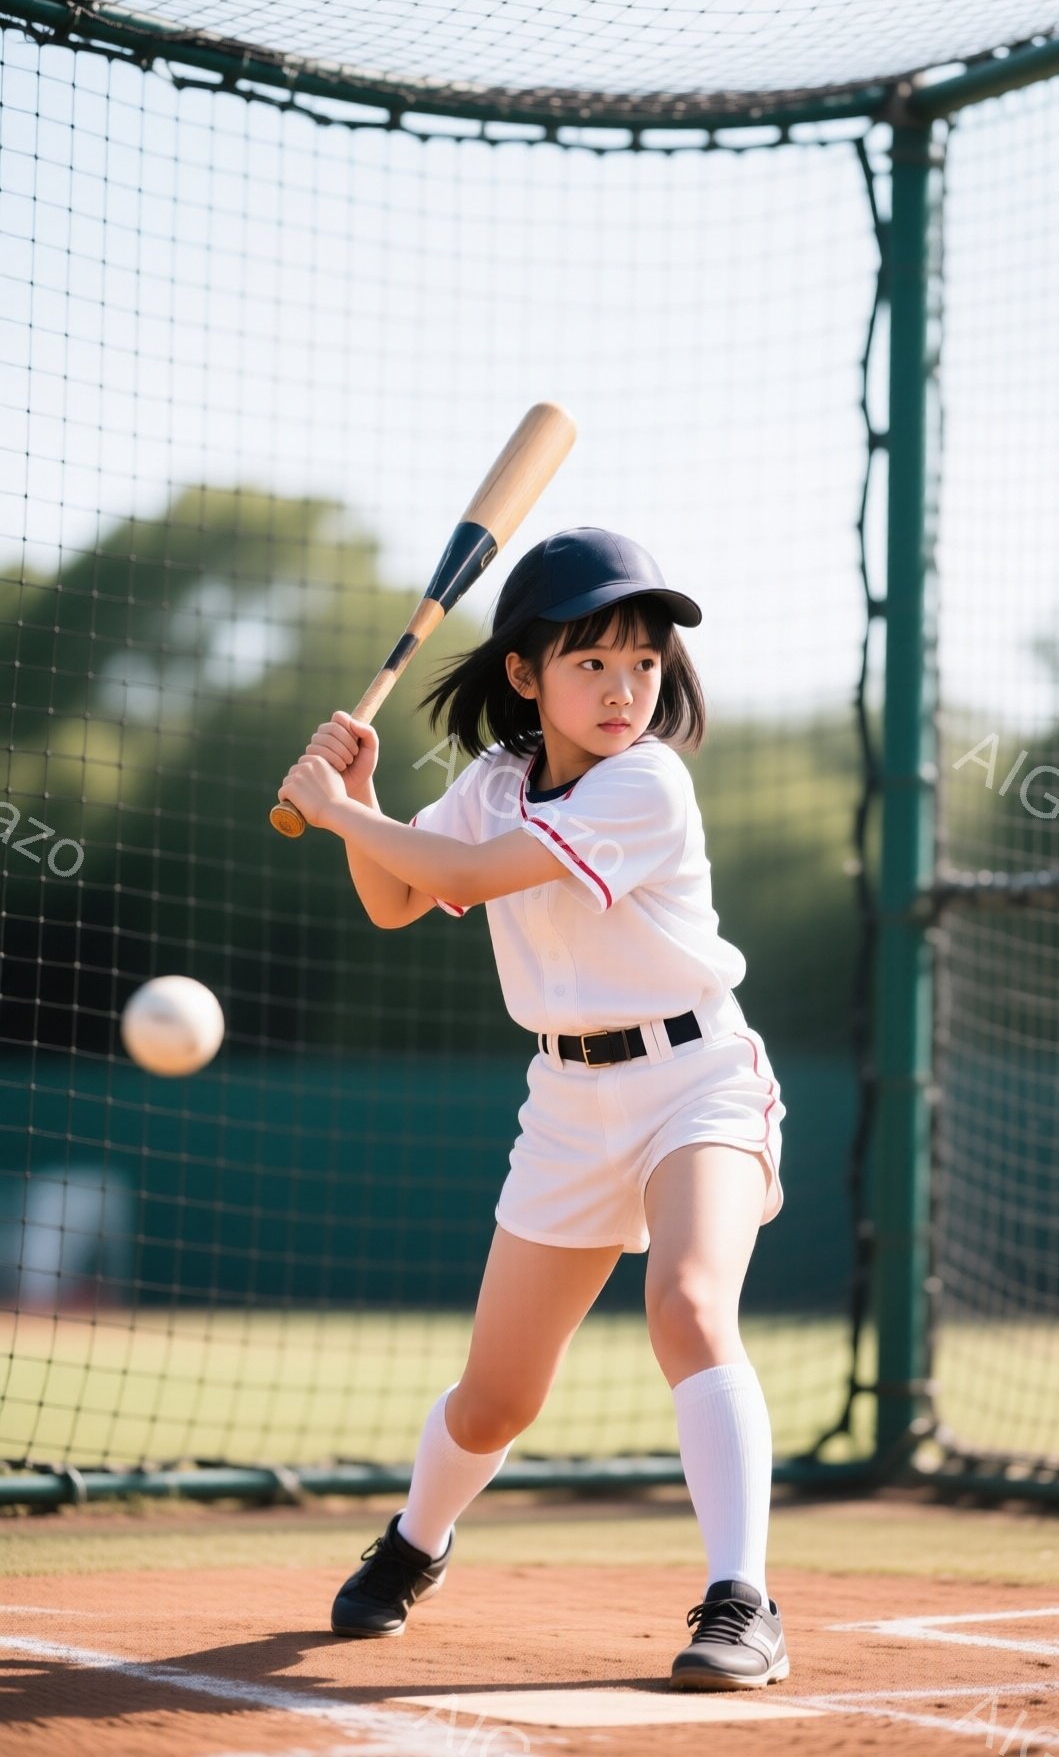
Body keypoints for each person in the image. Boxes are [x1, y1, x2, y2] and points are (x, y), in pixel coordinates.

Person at [277, 526, 789, 1691]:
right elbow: (398, 899)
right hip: (566, 1103)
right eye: (590, 662)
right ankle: (416, 1541)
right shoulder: (496, 782)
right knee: (497, 1396)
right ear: (524, 672)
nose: (623, 689)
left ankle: (742, 1600)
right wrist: (361, 797)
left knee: (688, 1302)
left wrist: (337, 809)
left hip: (696, 1078)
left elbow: (464, 876)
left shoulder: (646, 782)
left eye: (644, 663)